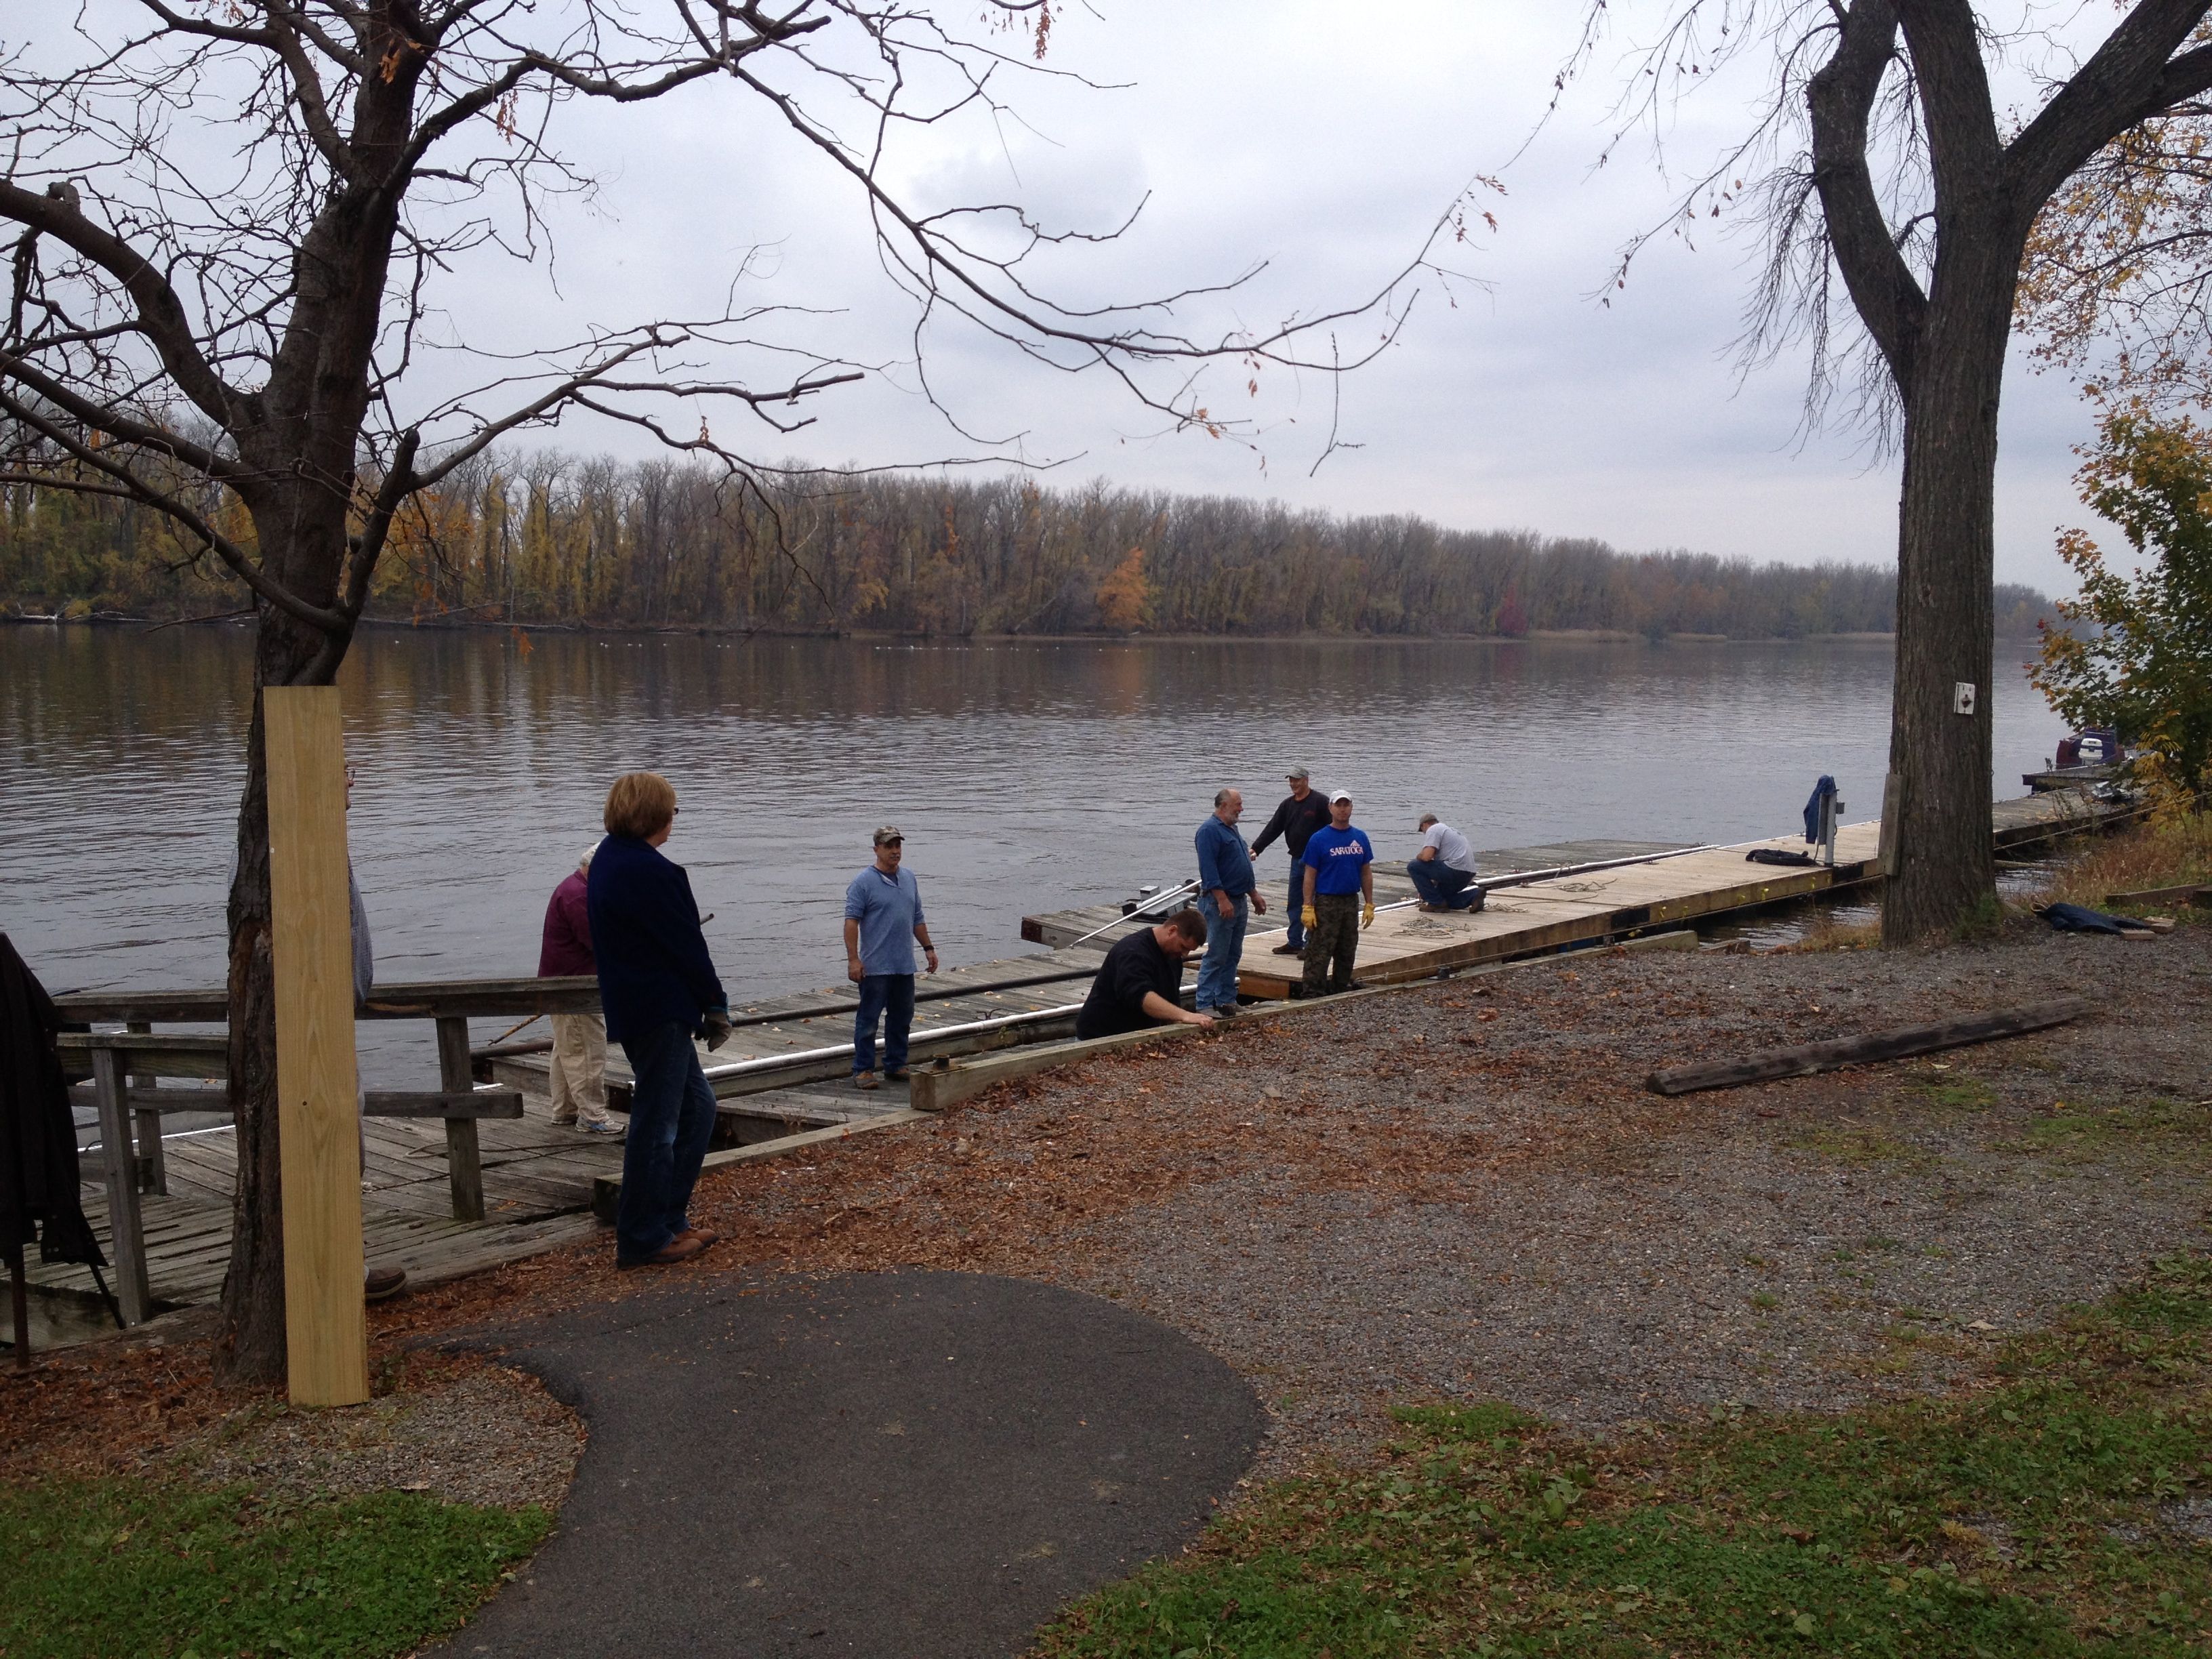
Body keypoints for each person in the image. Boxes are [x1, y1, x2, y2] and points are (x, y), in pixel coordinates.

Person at [587, 772, 732, 1271]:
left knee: (697, 1110)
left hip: (633, 1007)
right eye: (672, 810)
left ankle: (668, 1218)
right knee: (660, 1122)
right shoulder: (654, 873)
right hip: (661, 1010)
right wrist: (715, 1003)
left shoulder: (608, 859)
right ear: (654, 815)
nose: (675, 819)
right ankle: (644, 1235)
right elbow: (686, 946)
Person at [343, 763, 407, 1305]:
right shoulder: (295, 840)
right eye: (343, 770)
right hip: (312, 1028)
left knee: (350, 1145)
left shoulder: (325, 839)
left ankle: (349, 1262)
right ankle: (342, 1271)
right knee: (335, 1144)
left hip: (336, 1018)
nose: (351, 781)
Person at [844, 826, 939, 1090]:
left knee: (902, 1017)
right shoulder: (863, 882)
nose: (895, 851)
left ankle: (896, 1063)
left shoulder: (909, 878)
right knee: (868, 1020)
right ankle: (862, 1069)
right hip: (875, 967)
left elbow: (916, 918)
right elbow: (851, 922)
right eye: (889, 846)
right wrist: (854, 960)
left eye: (898, 845)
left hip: (903, 965)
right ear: (877, 849)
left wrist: (928, 948)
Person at [539, 844, 618, 1134]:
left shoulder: (575, 889)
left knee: (567, 1049)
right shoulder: (578, 897)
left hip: (559, 985)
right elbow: (602, 943)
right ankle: (592, 1115)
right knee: (587, 1050)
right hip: (575, 988)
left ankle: (565, 1110)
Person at [1075, 909, 1215, 1040]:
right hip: (1100, 1035)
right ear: (1172, 931)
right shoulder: (1132, 951)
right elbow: (1140, 996)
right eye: (1183, 947)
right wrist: (1185, 1015)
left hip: (1137, 1035)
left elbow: (1171, 1002)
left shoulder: (1173, 958)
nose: (1185, 954)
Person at [1193, 787, 1266, 1017]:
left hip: (1239, 899)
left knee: (1233, 953)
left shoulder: (1232, 828)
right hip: (1219, 903)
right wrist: (1222, 899)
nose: (1242, 809)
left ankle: (1226, 1000)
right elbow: (1209, 870)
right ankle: (1204, 1004)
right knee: (1217, 954)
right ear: (1224, 806)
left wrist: (1254, 894)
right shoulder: (1208, 831)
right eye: (1238, 804)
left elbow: (1242, 862)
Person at [1298, 790, 1375, 997]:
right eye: (1338, 805)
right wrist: (1307, 906)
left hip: (1351, 900)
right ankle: (1312, 991)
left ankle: (1341, 987)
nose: (1343, 809)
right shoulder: (1319, 839)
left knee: (1348, 947)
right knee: (1320, 949)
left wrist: (1369, 903)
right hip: (1326, 901)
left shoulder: (1360, 837)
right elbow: (1309, 875)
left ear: (1351, 807)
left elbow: (1366, 872)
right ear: (1330, 808)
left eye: (1346, 805)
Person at [1250, 766, 1332, 956]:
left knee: (1313, 902)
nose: (1293, 784)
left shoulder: (1320, 802)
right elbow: (1273, 828)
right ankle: (1294, 941)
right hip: (1297, 860)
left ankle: (1311, 944)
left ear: (1306, 780)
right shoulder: (1287, 805)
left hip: (1318, 863)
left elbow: (1333, 828)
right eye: (1291, 781)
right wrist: (1257, 848)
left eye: (1297, 780)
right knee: (1295, 902)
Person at [1407, 814, 1484, 912]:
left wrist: (1419, 856)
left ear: (1424, 825)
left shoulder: (1434, 829)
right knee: (1441, 897)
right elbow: (1438, 869)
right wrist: (1428, 890)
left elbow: (1427, 857)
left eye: (1422, 830)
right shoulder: (1448, 830)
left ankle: (1435, 904)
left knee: (1414, 866)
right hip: (1467, 873)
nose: (1424, 834)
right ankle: (1473, 896)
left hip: (1455, 869)